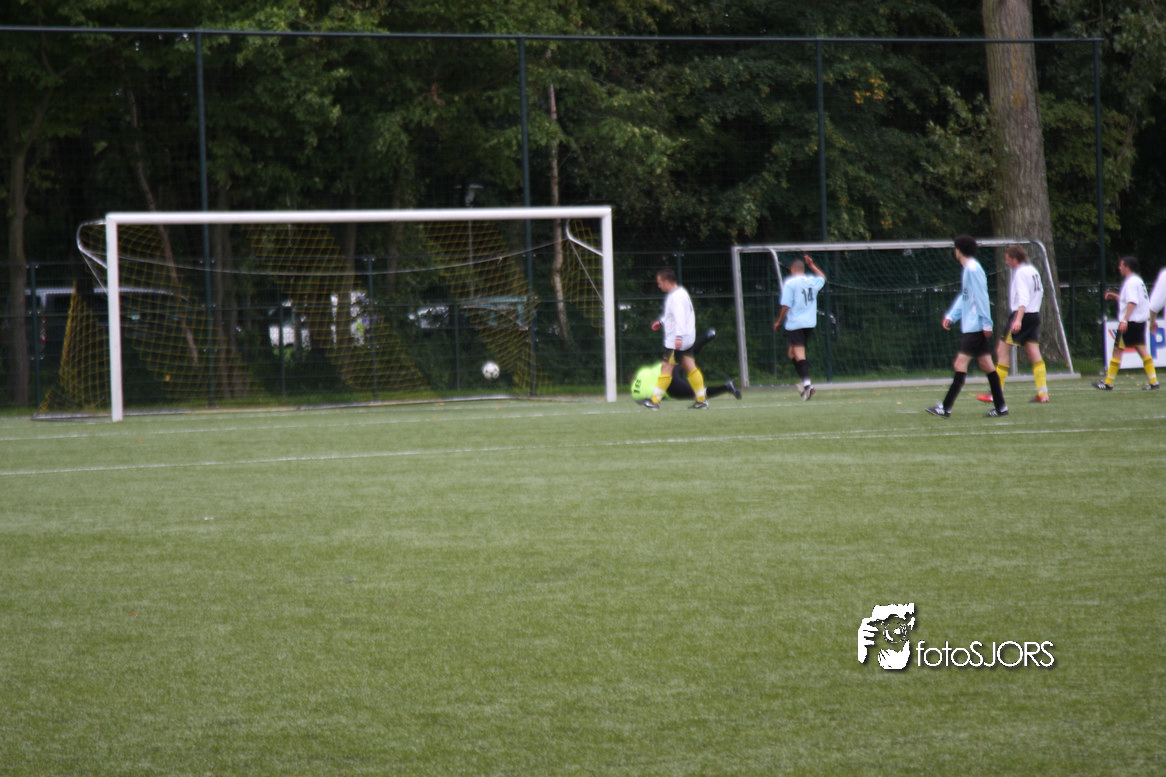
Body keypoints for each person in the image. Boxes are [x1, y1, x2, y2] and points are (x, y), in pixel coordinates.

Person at [926, 234, 1008, 418]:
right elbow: (965, 297)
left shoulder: (973, 269)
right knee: (986, 365)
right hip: (974, 325)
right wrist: (952, 316)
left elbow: (982, 297)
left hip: (976, 327)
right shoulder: (969, 269)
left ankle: (945, 407)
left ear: (959, 250)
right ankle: (1001, 407)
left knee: (960, 363)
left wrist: (987, 323)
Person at [976, 244, 1050, 404]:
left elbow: (1023, 298)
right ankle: (1043, 393)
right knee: (1034, 353)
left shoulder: (1020, 273)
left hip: (1022, 315)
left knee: (1001, 350)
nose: (1006, 262)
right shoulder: (1033, 270)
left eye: (1008, 259)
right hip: (1034, 315)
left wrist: (1018, 320)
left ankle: (995, 393)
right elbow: (1040, 292)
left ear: (1015, 259)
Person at [637, 267, 709, 410]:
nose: (659, 286)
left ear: (666, 281)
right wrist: (661, 322)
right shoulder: (680, 293)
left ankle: (654, 401)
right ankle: (702, 400)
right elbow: (672, 315)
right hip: (687, 338)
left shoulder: (675, 297)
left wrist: (678, 337)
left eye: (659, 283)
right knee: (690, 366)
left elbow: (680, 317)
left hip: (677, 340)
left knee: (666, 368)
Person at [1094, 255, 1160, 391]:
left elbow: (1132, 302)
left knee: (1117, 350)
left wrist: (1124, 320)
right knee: (1141, 349)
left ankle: (1108, 383)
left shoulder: (1130, 282)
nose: (1119, 268)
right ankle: (1154, 382)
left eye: (1121, 265)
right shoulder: (1138, 281)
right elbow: (1132, 301)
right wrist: (1116, 297)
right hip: (1139, 322)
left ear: (1127, 267)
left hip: (1130, 322)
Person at [630, 329, 741, 402]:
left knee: (697, 394)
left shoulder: (636, 393)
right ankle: (707, 337)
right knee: (685, 357)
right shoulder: (642, 372)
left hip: (668, 384)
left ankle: (726, 387)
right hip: (666, 367)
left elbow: (651, 396)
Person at [773, 254, 827, 400]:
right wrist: (812, 265)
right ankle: (806, 384)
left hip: (796, 323)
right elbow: (823, 278)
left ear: (792, 269)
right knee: (791, 354)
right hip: (809, 323)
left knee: (799, 354)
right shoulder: (812, 281)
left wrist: (778, 321)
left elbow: (786, 305)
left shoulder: (791, 283)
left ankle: (808, 385)